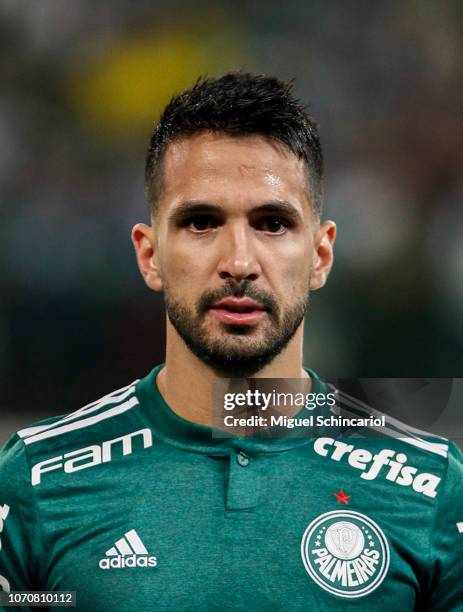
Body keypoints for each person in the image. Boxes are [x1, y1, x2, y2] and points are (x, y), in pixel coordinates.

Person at [0, 72, 462, 611]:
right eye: (201, 222)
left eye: (272, 223)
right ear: (150, 255)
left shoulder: (432, 490)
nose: (239, 263)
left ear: (320, 254)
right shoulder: (36, 483)